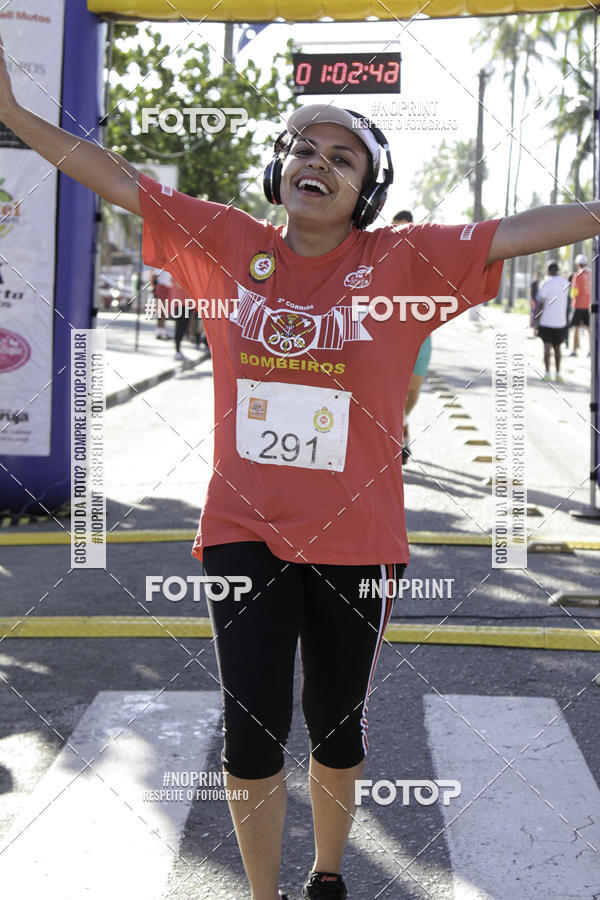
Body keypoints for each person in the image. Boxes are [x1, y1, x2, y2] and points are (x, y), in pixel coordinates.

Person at [4, 40, 600, 896]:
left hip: (359, 541)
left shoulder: (402, 261)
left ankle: (326, 878)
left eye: (341, 158)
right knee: (251, 731)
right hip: (243, 529)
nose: (317, 163)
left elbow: (523, 228)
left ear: (368, 192)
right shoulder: (227, 241)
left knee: (336, 726)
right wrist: (14, 114)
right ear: (278, 170)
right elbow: (119, 180)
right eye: (304, 149)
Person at [392, 210, 432, 463]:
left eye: (405, 229)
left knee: (413, 391)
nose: (401, 234)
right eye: (396, 229)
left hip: (421, 335)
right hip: (389, 335)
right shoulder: (381, 257)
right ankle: (399, 435)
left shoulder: (424, 259)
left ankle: (402, 422)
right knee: (393, 392)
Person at [535, 260, 570, 382]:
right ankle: (558, 373)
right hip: (561, 321)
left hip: (546, 321)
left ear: (549, 270)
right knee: (558, 347)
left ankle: (547, 373)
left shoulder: (547, 282)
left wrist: (537, 320)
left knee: (547, 347)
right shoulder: (565, 282)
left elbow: (541, 303)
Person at [569, 253, 591, 356]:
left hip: (578, 305)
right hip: (587, 305)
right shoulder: (590, 275)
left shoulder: (577, 275)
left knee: (575, 328)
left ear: (578, 264)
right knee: (589, 329)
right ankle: (590, 350)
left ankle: (574, 350)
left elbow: (574, 293)